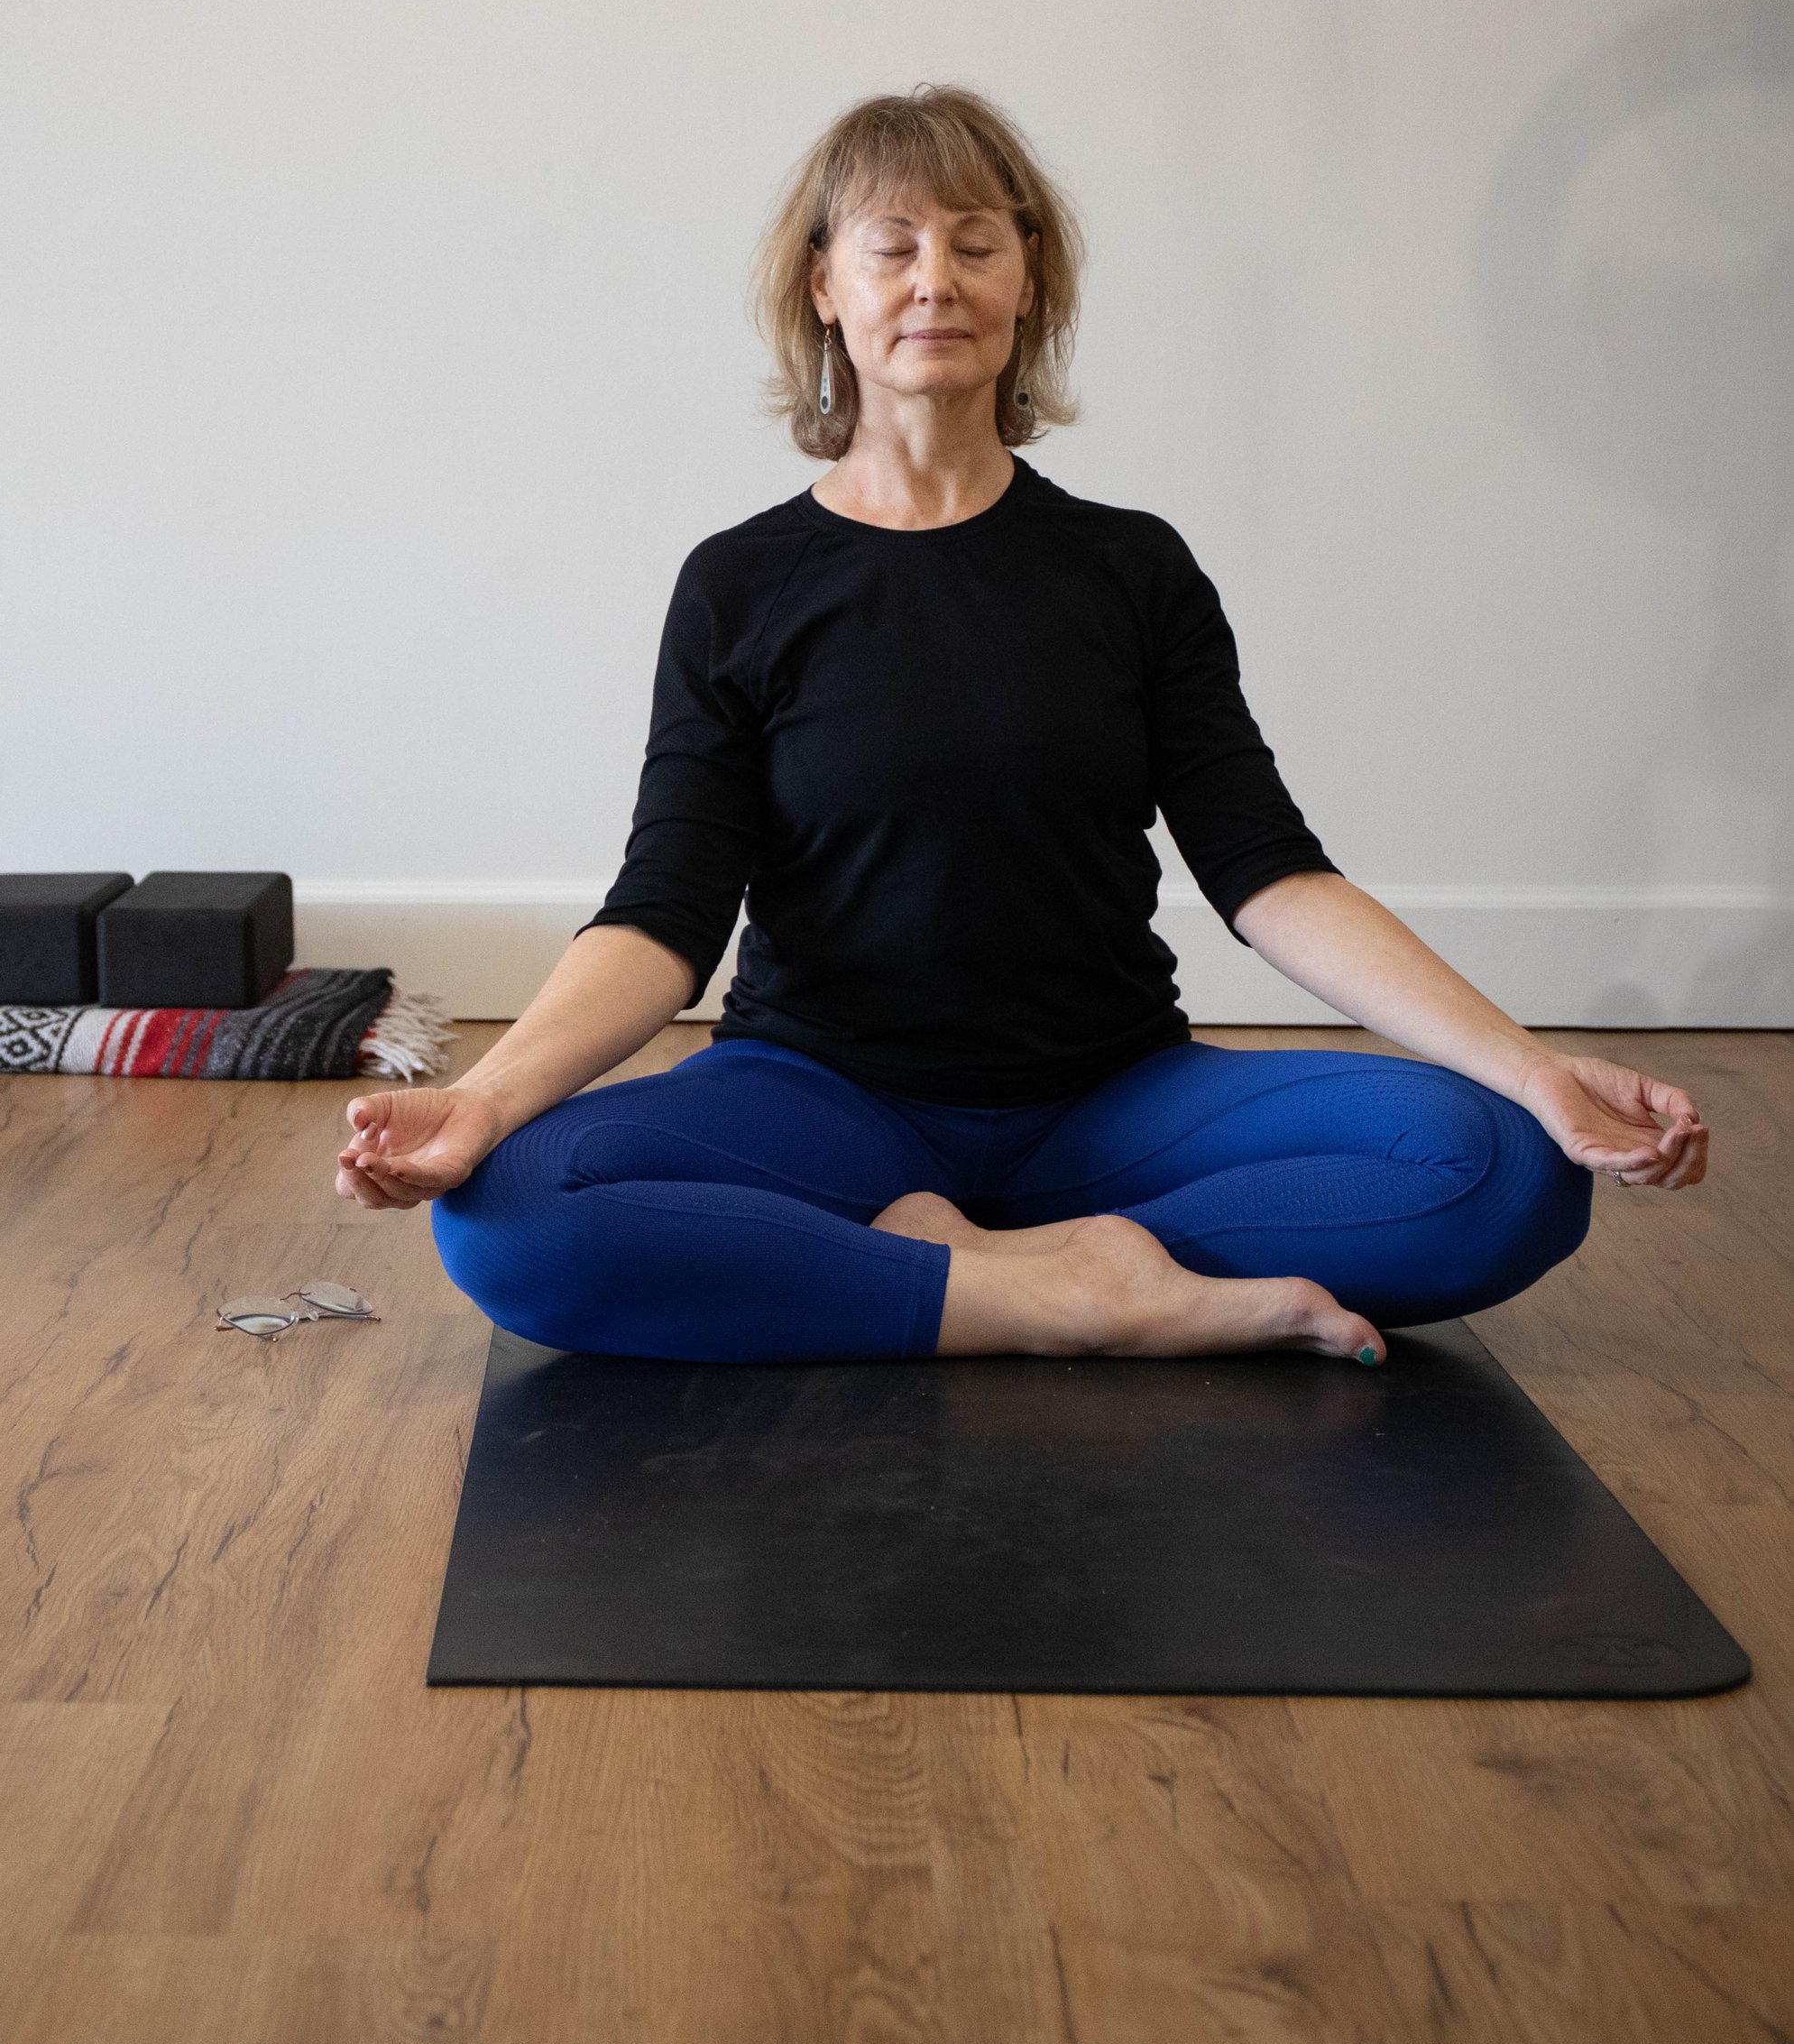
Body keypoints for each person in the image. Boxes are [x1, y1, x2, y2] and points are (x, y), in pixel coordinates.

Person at [337, 85, 1707, 1365]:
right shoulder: (739, 584)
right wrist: (488, 1101)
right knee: (512, 1208)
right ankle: (1048, 1291)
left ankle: (938, 1265)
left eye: (974, 242)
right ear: (826, 287)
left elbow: (1271, 873)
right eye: (892, 245)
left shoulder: (1131, 569)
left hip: (1108, 1102)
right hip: (819, 1096)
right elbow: (663, 914)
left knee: (1511, 1171)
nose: (935, 277)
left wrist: (1534, 1069)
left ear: (1026, 282)